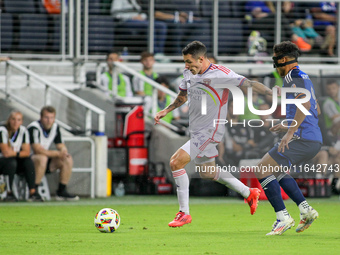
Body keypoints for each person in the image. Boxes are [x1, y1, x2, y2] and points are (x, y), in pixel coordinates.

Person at [154, 41, 275, 228]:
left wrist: (273, 93)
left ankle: (184, 213)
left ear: (201, 59)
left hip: (210, 131)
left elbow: (249, 84)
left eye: (188, 62)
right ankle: (249, 192)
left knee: (176, 162)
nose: (185, 66)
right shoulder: (189, 73)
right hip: (196, 130)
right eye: (185, 62)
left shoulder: (222, 74)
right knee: (208, 172)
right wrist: (166, 111)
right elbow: (182, 96)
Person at [255, 41, 321, 235]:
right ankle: (305, 210)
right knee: (276, 171)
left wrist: (291, 131)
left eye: (275, 61)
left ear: (283, 59)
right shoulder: (303, 77)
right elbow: (314, 109)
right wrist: (286, 125)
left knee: (262, 169)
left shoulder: (293, 76)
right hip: (311, 137)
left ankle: (282, 217)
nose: (275, 66)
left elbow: (306, 105)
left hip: (302, 137)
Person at [28, 106, 79, 201]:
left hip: (46, 160)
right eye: (46, 117)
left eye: (51, 118)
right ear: (41, 117)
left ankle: (61, 191)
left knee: (67, 158)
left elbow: (60, 145)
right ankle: (34, 191)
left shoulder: (55, 127)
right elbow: (37, 149)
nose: (49, 121)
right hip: (30, 161)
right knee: (42, 158)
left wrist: (63, 152)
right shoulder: (34, 128)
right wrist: (57, 153)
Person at [0, 111, 43, 202]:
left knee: (28, 161)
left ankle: (32, 192)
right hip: (3, 161)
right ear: (9, 120)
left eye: (18, 120)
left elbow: (27, 152)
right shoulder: (2, 130)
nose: (16, 122)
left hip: (14, 159)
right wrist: (19, 152)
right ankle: (8, 192)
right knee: (11, 163)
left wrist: (14, 153)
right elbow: (5, 152)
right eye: (13, 119)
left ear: (22, 122)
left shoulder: (23, 131)